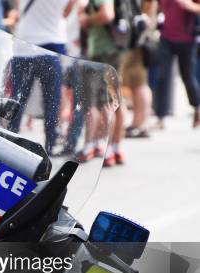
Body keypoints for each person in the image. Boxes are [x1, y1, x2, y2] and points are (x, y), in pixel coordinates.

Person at [9, 0, 78, 155]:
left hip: (24, 46)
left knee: (17, 100)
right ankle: (50, 143)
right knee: (51, 101)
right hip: (51, 47)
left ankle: (9, 140)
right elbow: (66, 12)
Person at [79, 0, 127, 166]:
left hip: (103, 53)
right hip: (113, 51)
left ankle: (99, 149)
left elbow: (107, 14)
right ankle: (114, 149)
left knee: (102, 103)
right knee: (115, 102)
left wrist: (87, 20)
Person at [155, 0, 200, 128]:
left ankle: (197, 107)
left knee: (188, 77)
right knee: (162, 77)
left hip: (187, 40)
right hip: (166, 38)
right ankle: (161, 117)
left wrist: (190, 5)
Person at [122, 0, 157, 138]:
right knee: (138, 84)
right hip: (139, 40)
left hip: (138, 41)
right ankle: (139, 123)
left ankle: (141, 124)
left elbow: (146, 13)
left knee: (139, 84)